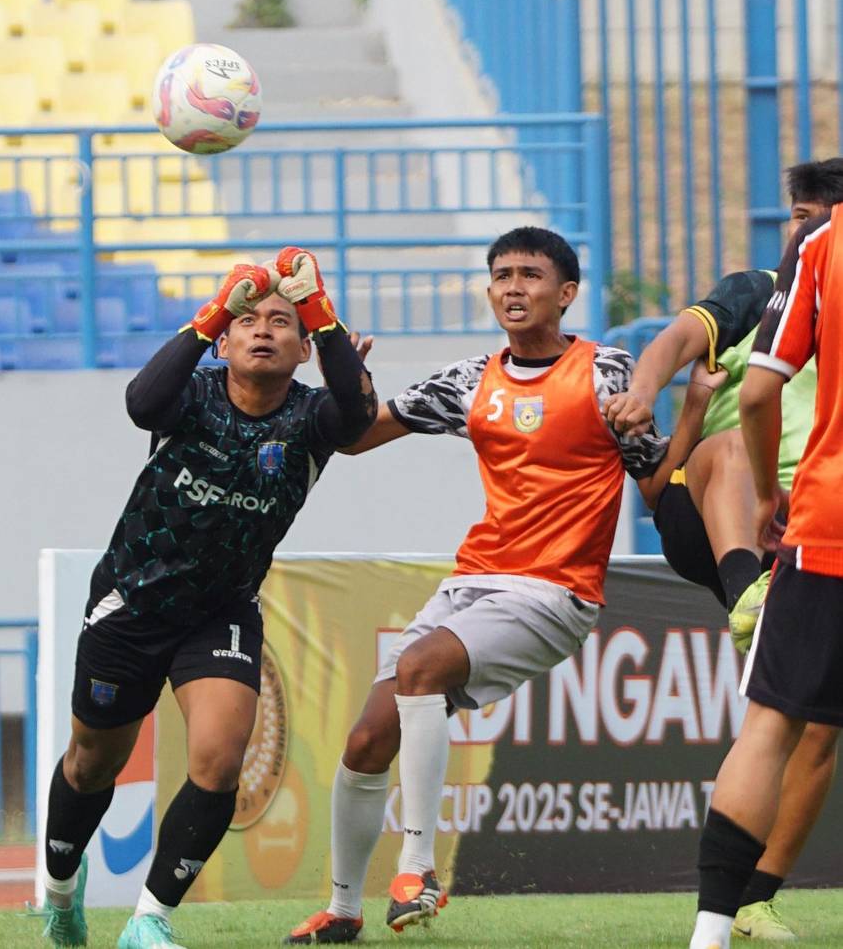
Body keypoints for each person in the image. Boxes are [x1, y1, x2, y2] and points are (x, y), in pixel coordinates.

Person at [285, 227, 669, 944]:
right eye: (501, 275)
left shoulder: (606, 373)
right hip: (475, 582)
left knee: (419, 668)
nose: (513, 287)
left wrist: (696, 425)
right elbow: (357, 435)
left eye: (530, 274)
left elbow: (655, 479)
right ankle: (342, 910)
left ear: (567, 293)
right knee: (367, 740)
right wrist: (343, 373)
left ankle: (419, 869)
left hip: (555, 591)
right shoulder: (468, 381)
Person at [37, 251, 375, 949]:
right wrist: (216, 308)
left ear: (304, 349)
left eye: (281, 322)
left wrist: (322, 313)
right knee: (91, 762)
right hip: (131, 601)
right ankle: (61, 892)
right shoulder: (192, 392)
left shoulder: (313, 417)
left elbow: (359, 412)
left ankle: (149, 918)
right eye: (248, 321)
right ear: (223, 342)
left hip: (221, 611)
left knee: (220, 761)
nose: (263, 330)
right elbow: (140, 404)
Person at [607, 158, 843, 941]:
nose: (799, 230)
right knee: (736, 445)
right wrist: (647, 389)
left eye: (812, 216)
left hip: (808, 532)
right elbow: (679, 340)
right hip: (721, 514)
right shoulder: (758, 292)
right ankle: (745, 590)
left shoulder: (824, 278)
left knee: (812, 725)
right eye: (794, 215)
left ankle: (753, 899)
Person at [687, 210, 843, 949]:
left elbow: (756, 392)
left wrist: (766, 495)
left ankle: (712, 933)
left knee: (771, 726)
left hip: (829, 523)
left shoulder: (822, 243)